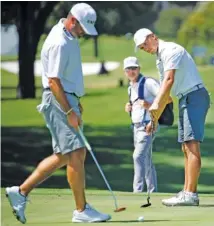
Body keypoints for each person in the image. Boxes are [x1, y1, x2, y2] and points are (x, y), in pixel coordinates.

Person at [5, 3, 111, 223]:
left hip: (66, 97)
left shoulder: (66, 33)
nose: (83, 33)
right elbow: (53, 81)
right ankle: (81, 211)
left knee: (67, 155)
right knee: (75, 152)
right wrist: (70, 108)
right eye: (81, 27)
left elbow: (64, 76)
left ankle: (21, 192)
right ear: (72, 20)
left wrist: (75, 100)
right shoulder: (59, 43)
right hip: (58, 100)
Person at [133, 28, 210, 206]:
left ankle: (190, 194)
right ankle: (187, 191)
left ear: (154, 37)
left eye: (146, 43)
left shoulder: (170, 50)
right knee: (186, 147)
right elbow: (165, 94)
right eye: (142, 47)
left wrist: (154, 107)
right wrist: (154, 119)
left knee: (191, 145)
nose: (145, 48)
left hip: (195, 96)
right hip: (185, 98)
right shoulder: (160, 59)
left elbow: (169, 81)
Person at [124, 56, 159, 194]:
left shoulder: (148, 82)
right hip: (136, 127)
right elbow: (137, 105)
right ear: (124, 71)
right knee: (146, 160)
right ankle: (153, 191)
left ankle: (137, 192)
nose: (131, 71)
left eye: (134, 68)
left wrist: (150, 106)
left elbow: (163, 99)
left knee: (138, 156)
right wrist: (129, 107)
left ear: (139, 69)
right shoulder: (130, 87)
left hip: (148, 126)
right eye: (128, 69)